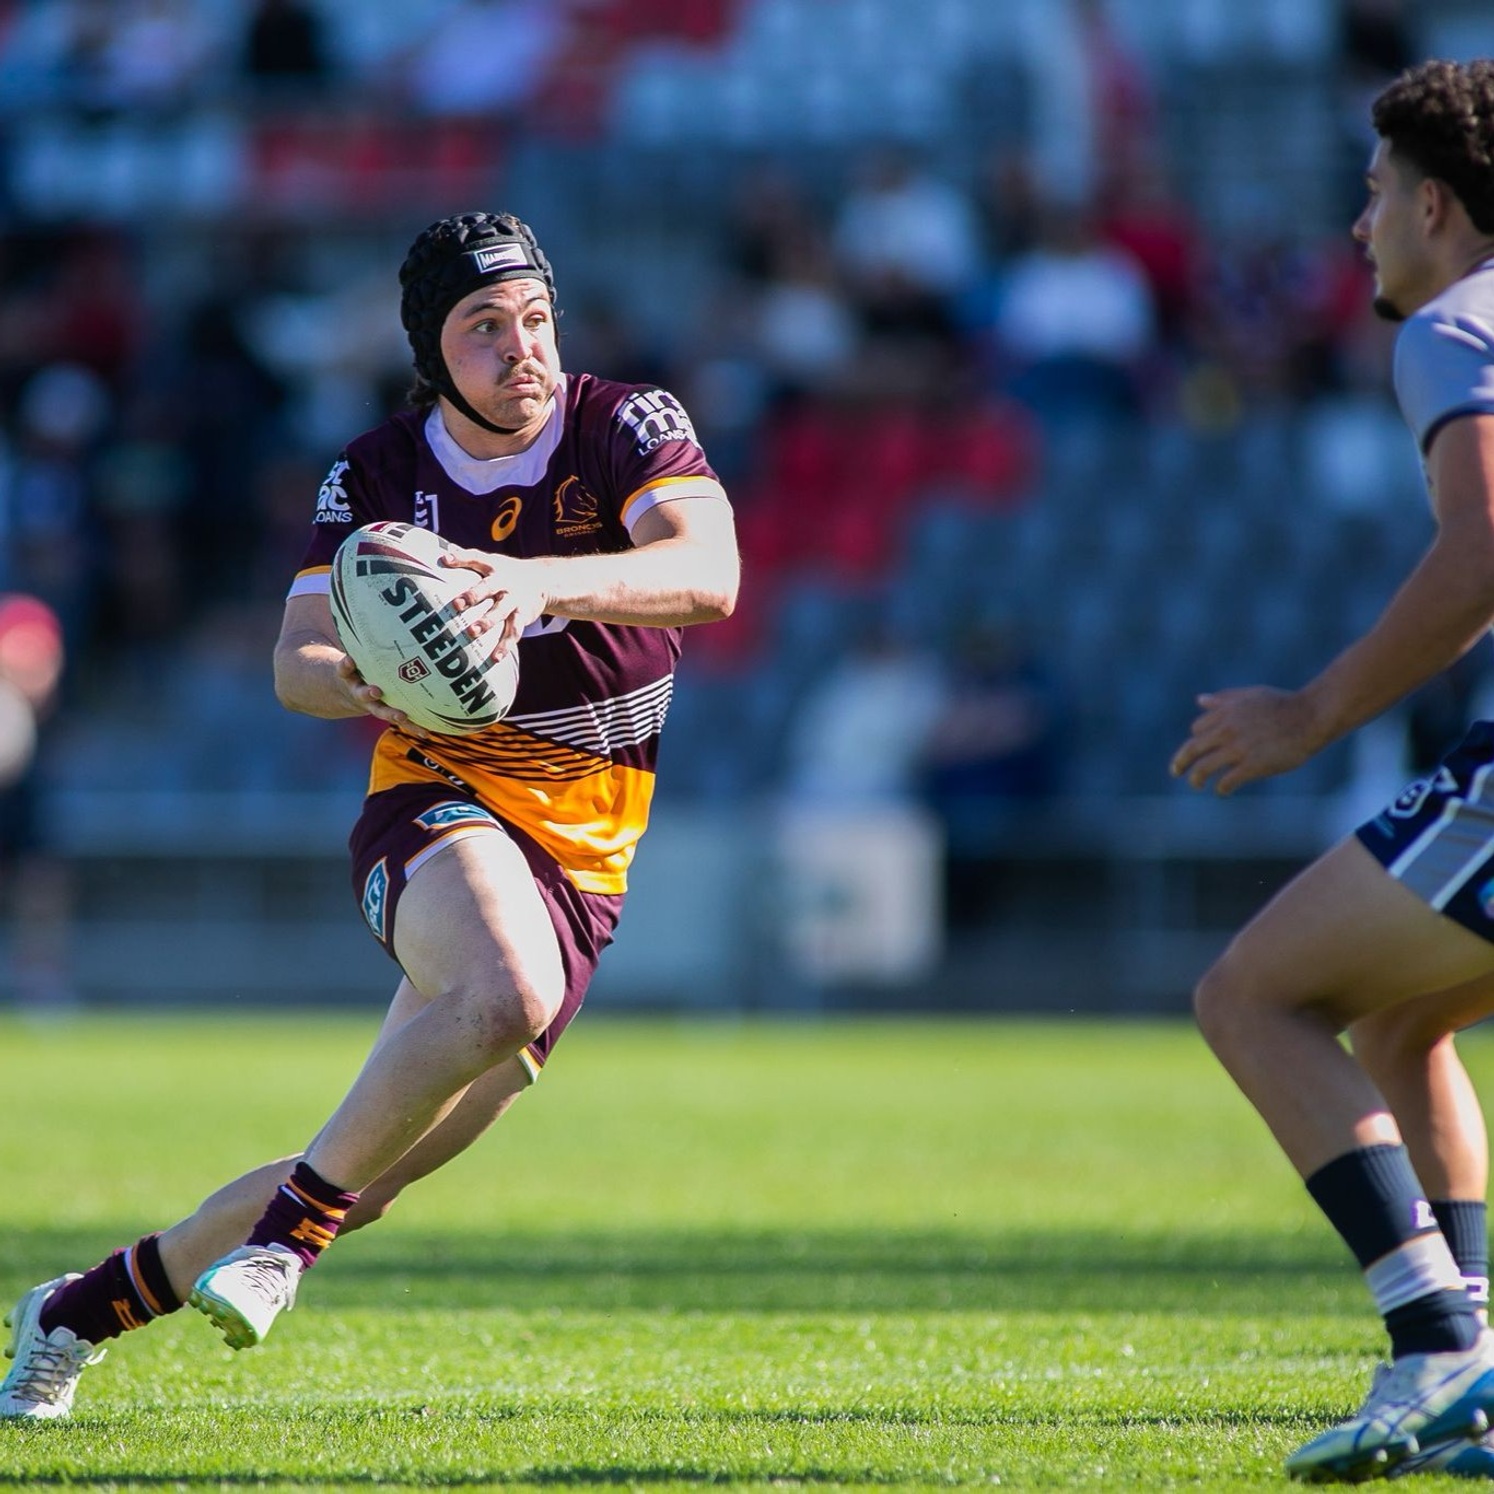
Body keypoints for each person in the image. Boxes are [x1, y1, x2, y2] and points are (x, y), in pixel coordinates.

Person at [0, 210, 739, 1417]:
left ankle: (74, 1312)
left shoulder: (624, 424)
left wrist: (531, 581)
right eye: (485, 328)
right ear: (431, 350)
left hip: (588, 855)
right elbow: (296, 659)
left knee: (362, 1177)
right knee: (504, 994)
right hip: (436, 802)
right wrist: (352, 674)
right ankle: (286, 1250)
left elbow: (710, 573)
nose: (523, 350)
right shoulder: (380, 473)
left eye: (536, 319)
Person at [1169, 60, 1494, 1482]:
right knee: (1397, 1023)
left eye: (1371, 195)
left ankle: (1436, 1337)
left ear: (1434, 202)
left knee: (1251, 992)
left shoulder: (1452, 327)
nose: (1358, 226)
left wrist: (1308, 710)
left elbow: (1480, 552)